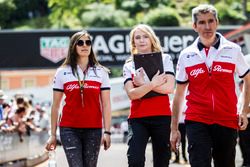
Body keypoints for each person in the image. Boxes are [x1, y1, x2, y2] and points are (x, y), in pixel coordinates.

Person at [170, 4, 250, 167]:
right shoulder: (186, 55)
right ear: (194, 26)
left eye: (211, 21)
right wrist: (174, 129)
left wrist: (244, 111)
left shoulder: (233, 50)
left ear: (217, 22)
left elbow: (248, 79)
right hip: (197, 119)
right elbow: (178, 95)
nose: (207, 26)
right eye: (202, 22)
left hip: (227, 119)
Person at [45, 30, 112, 167]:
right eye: (80, 42)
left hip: (93, 129)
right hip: (69, 129)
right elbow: (55, 106)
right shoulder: (62, 72)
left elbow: (106, 104)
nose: (85, 45)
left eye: (88, 42)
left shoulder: (101, 72)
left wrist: (107, 131)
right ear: (73, 47)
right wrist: (52, 134)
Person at [123, 24, 175, 167]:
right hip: (138, 119)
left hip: (162, 116)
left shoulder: (165, 59)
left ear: (152, 39)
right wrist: (152, 84)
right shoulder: (129, 65)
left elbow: (169, 87)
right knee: (135, 160)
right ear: (133, 42)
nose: (142, 40)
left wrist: (143, 84)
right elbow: (132, 94)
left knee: (162, 161)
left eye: (145, 36)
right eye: (137, 37)